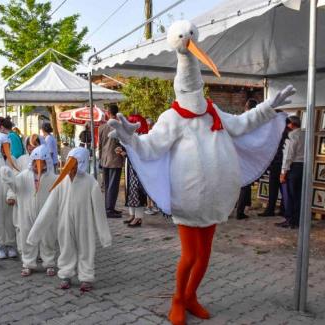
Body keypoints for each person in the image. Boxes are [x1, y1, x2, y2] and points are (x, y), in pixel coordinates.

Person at [108, 20, 294, 325]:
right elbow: (151, 148)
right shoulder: (172, 118)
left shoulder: (212, 111)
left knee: (205, 254)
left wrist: (268, 107)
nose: (194, 95)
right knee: (190, 255)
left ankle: (192, 296)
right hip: (188, 199)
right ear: (181, 89)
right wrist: (130, 137)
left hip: (215, 198)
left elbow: (243, 123)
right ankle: (178, 299)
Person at [27, 147, 112, 292]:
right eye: (68, 165)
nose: (71, 169)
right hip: (64, 222)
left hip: (85, 223)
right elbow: (48, 208)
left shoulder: (91, 183)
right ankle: (66, 274)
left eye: (74, 166)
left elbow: (99, 212)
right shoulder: (61, 181)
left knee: (86, 249)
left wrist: (105, 237)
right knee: (66, 248)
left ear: (82, 164)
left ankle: (86, 277)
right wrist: (35, 233)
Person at [0, 144, 57, 277]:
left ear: (47, 162)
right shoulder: (23, 176)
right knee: (26, 237)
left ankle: (49, 262)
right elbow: (15, 187)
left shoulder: (53, 178)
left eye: (42, 162)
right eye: (36, 162)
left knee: (47, 237)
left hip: (46, 214)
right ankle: (28, 263)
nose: (39, 165)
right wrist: (8, 178)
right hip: (26, 212)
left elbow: (59, 193)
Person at [277, 116, 305, 229]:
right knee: (298, 195)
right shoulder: (304, 134)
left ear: (291, 125)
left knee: (288, 195)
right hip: (302, 166)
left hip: (292, 167)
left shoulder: (292, 135)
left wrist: (283, 172)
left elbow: (288, 156)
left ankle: (290, 220)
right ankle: (297, 220)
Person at [259, 117, 290, 217]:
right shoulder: (287, 133)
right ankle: (283, 209)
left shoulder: (279, 133)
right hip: (282, 164)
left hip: (277, 163)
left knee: (274, 188)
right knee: (282, 188)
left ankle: (271, 209)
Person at [122, 114, 149, 228]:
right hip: (130, 166)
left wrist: (126, 153)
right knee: (130, 190)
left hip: (137, 168)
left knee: (137, 192)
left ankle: (138, 217)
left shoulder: (142, 138)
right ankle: (133, 215)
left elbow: (139, 154)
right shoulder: (133, 136)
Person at [98, 104, 124, 218]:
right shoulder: (119, 126)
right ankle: (109, 209)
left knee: (107, 185)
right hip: (115, 159)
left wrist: (100, 159)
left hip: (104, 159)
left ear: (108, 113)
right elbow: (123, 143)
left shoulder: (101, 127)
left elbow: (100, 145)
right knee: (113, 186)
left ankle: (109, 207)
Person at [235, 99, 258, 220]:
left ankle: (237, 207)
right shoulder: (252, 121)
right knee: (245, 184)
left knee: (238, 184)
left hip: (236, 154)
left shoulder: (240, 119)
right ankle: (240, 211)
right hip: (246, 155)